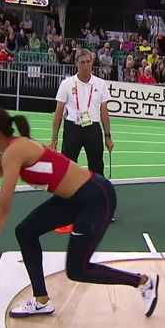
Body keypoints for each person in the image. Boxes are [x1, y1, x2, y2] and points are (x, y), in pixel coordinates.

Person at [0, 106, 159, 318]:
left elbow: (3, 205)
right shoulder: (14, 148)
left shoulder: (15, 151)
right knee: (25, 231)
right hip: (73, 199)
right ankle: (42, 300)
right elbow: (0, 171)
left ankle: (144, 282)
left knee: (78, 269)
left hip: (96, 197)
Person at [50, 48, 115, 221]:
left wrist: (108, 135)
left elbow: (104, 112)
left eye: (88, 62)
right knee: (68, 167)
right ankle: (66, 204)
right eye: (82, 62)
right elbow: (58, 112)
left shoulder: (100, 84)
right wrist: (54, 137)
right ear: (76, 63)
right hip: (72, 128)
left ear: (92, 62)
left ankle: (101, 205)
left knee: (96, 167)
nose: (85, 66)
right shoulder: (66, 84)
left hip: (93, 128)